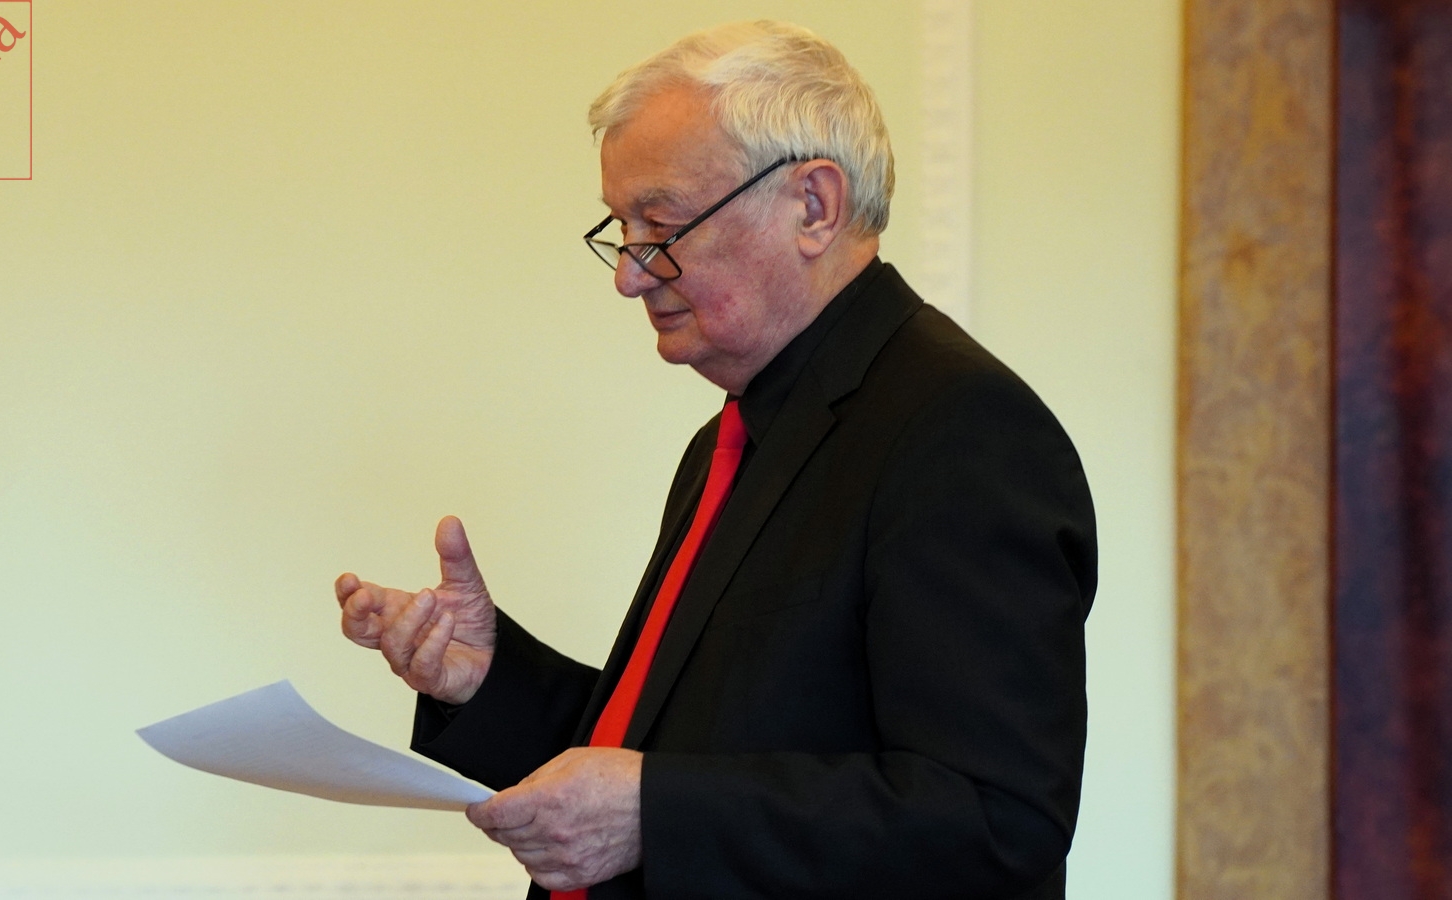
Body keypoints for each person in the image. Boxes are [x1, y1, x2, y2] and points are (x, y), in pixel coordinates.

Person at [335, 20, 1097, 900]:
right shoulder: (733, 436)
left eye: (661, 225)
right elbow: (681, 745)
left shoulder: (961, 429)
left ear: (813, 206)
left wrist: (655, 814)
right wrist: (487, 679)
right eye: (621, 230)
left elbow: (996, 820)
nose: (629, 274)